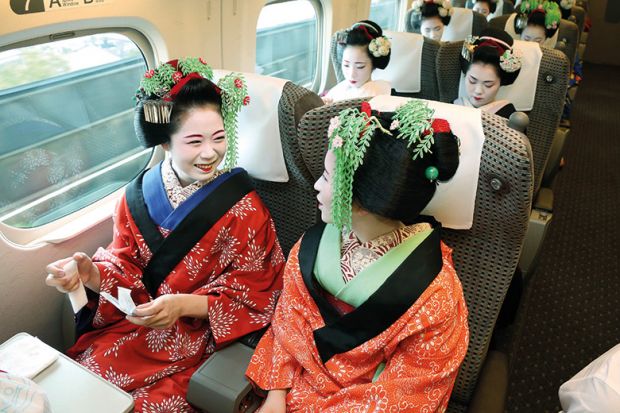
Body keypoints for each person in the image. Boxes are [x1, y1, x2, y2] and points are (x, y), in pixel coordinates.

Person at [45, 58, 285, 412]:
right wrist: (90, 275)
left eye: (219, 139)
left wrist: (182, 305)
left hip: (200, 337)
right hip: (138, 323)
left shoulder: (246, 210)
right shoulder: (136, 195)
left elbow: (261, 294)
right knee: (81, 384)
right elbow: (126, 264)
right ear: (166, 143)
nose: (210, 153)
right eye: (194, 141)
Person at [246, 99, 469, 412]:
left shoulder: (436, 294)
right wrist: (275, 396)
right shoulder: (314, 246)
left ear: (362, 202)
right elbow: (288, 323)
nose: (315, 186)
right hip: (295, 390)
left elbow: (408, 393)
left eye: (326, 177)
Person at [454, 28, 522, 118]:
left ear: (501, 82)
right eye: (472, 81)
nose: (478, 91)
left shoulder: (511, 118)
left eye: (488, 85)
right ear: (465, 75)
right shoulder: (452, 107)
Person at [323, 20, 391, 104]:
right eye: (346, 65)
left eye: (360, 66)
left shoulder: (376, 94)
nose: (351, 74)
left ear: (373, 64)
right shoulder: (342, 87)